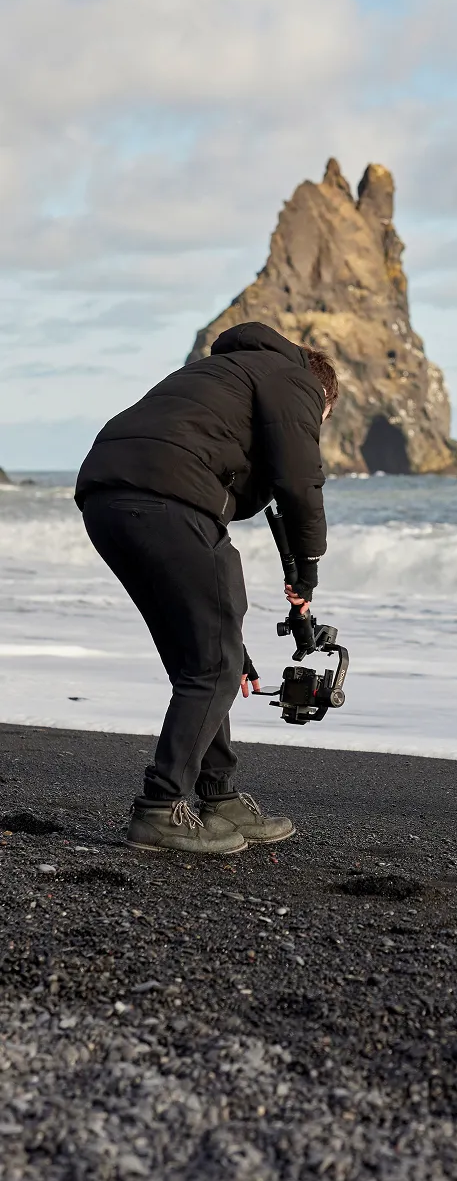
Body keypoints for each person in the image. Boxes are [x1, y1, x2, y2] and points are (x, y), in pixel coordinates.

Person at [75, 322, 338, 855]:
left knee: (203, 655)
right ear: (322, 393)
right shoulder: (297, 379)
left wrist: (230, 640)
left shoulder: (217, 371)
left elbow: (250, 491)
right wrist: (306, 571)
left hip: (105, 497)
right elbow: (299, 481)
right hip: (168, 496)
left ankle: (218, 794)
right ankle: (160, 808)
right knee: (213, 662)